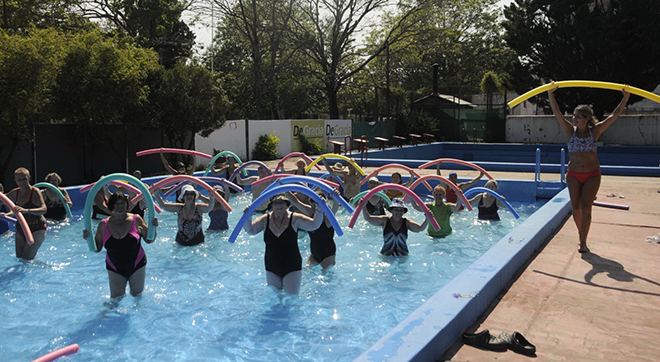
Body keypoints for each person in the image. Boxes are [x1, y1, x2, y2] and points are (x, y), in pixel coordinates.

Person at [548, 84, 630, 253]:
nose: (574, 118)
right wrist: (550, 94)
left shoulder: (595, 131)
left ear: (586, 118)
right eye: (574, 116)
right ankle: (582, 234)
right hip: (573, 175)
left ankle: (582, 241)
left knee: (586, 208)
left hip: (592, 175)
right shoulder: (570, 132)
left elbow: (615, 115)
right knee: (576, 208)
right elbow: (557, 114)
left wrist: (625, 97)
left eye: (577, 116)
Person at [242, 194, 323, 294]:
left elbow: (314, 225)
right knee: (275, 301)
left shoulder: (294, 218)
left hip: (292, 266)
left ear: (287, 204)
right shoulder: (265, 219)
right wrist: (247, 216)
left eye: (282, 202)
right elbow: (250, 230)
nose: (279, 205)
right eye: (276, 202)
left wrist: (319, 209)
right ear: (271, 205)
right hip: (272, 267)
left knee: (291, 300)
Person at [83, 192, 158, 298]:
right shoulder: (103, 225)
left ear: (127, 205)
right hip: (114, 267)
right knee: (116, 299)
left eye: (122, 203)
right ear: (111, 206)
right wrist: (88, 238)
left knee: (137, 297)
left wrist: (153, 228)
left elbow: (150, 240)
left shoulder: (136, 220)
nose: (120, 206)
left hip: (137, 264)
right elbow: (97, 249)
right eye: (117, 204)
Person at [0, 167, 47, 260]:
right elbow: (2, 200)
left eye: (24, 179)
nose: (22, 182)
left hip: (37, 228)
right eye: (19, 180)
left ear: (29, 178)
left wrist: (26, 210)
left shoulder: (35, 192)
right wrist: (5, 215)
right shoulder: (15, 193)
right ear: (15, 181)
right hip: (21, 227)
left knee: (27, 259)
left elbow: (44, 209)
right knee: (19, 258)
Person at [287, 190, 340, 268]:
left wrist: (335, 197)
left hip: (328, 255)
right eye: (312, 201)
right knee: (305, 273)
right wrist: (284, 189)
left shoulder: (328, 217)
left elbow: (335, 208)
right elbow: (295, 201)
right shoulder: (310, 212)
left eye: (317, 201)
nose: (315, 204)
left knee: (327, 277)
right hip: (314, 254)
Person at [361, 198, 429, 256]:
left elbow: (420, 228)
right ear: (391, 210)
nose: (398, 212)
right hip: (386, 256)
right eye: (396, 209)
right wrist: (363, 206)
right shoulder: (385, 220)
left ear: (404, 211)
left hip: (403, 257)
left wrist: (428, 218)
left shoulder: (406, 222)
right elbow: (368, 218)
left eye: (401, 210)